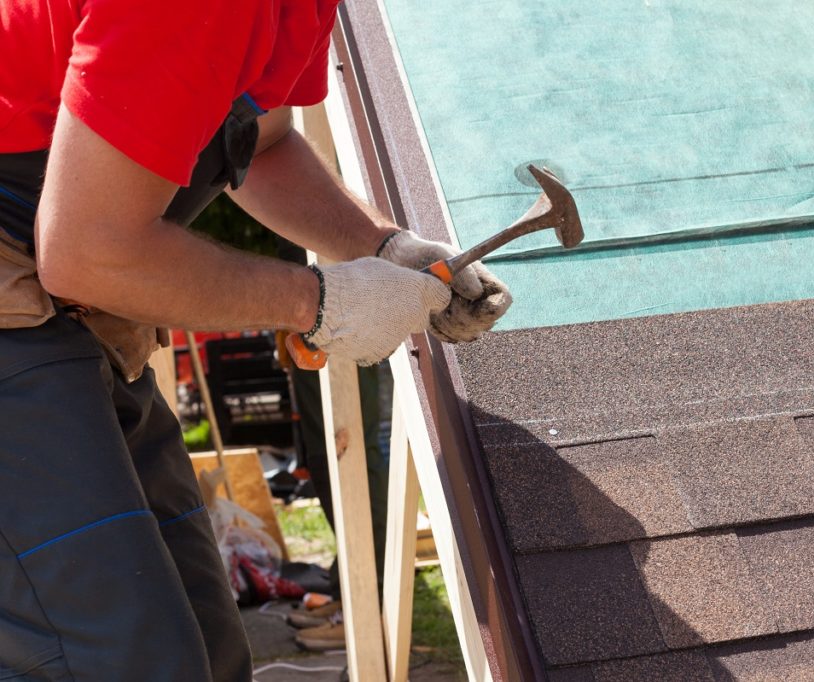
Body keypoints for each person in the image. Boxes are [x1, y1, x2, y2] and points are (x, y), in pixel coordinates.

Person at [0, 1, 511, 680]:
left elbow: (260, 147)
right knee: (120, 659)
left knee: (207, 648)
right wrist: (319, 301)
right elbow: (88, 252)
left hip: (66, 307)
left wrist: (387, 248)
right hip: (39, 292)